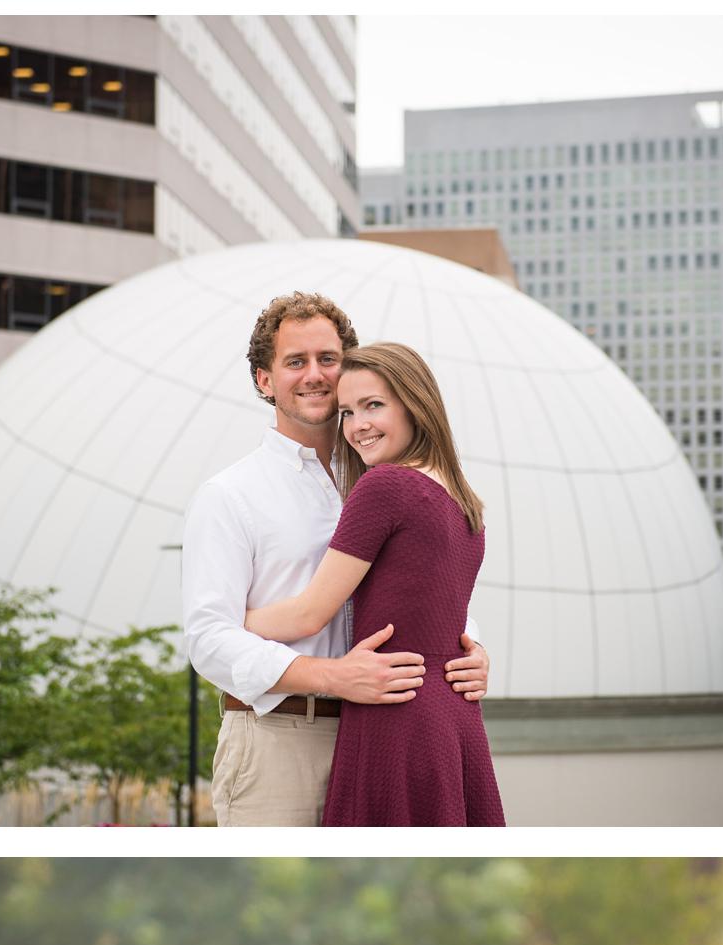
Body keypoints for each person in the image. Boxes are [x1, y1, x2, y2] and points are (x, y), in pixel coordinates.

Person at [180, 292, 491, 827]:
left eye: (328, 359)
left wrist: (469, 648)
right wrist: (332, 676)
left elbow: (423, 585)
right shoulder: (230, 494)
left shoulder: (383, 478)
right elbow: (208, 639)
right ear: (264, 381)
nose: (315, 375)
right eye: (294, 362)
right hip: (281, 742)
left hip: (383, 733)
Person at [241, 342, 505, 827]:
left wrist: (232, 622)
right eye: (346, 411)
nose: (357, 425)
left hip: (395, 712)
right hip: (453, 716)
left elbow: (309, 614)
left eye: (373, 405)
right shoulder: (465, 502)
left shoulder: (386, 487)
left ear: (415, 403)